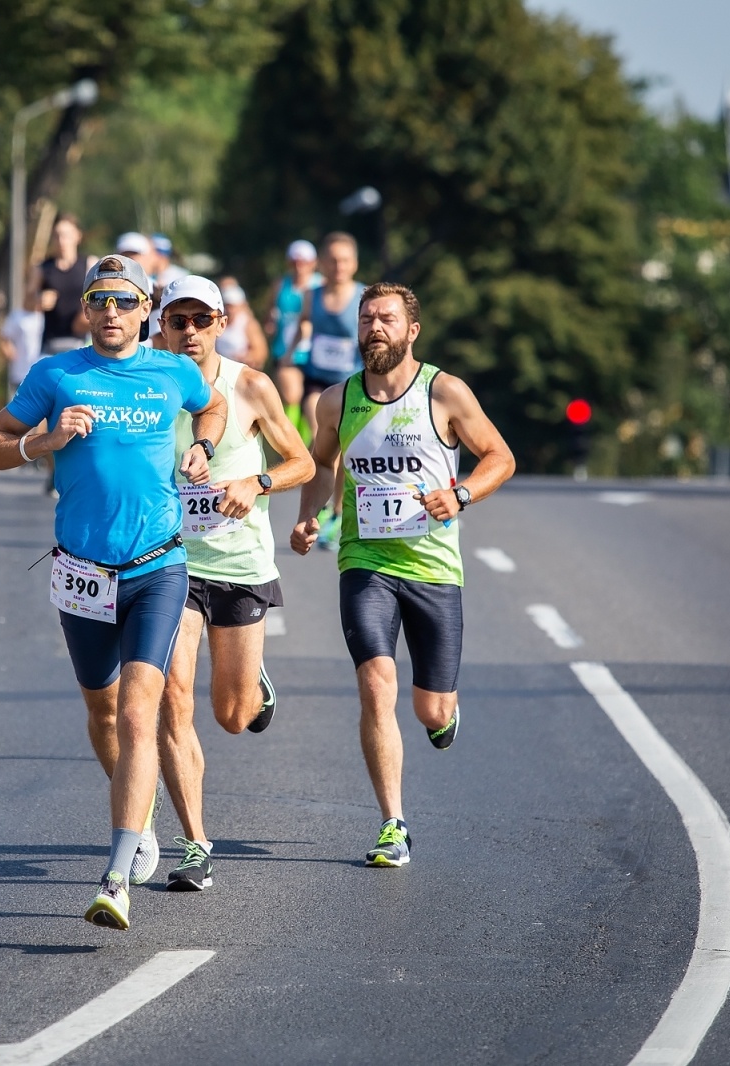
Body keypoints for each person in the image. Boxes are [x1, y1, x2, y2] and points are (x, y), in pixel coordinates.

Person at [0, 254, 226, 931]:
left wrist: (203, 444)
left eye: (124, 301)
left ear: (145, 311)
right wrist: (42, 441)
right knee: (103, 710)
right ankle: (137, 821)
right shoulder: (55, 374)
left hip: (157, 567)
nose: (111, 312)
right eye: (99, 301)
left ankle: (116, 875)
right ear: (84, 311)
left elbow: (215, 401)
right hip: (83, 573)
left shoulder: (173, 370)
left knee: (141, 714)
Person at [291, 283, 514, 868]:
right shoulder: (337, 401)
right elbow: (322, 462)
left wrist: (460, 494)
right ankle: (393, 823)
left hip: (433, 567)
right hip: (365, 562)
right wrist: (309, 515)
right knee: (375, 686)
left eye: (386, 319)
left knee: (430, 711)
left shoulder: (444, 392)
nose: (374, 328)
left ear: (412, 331)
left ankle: (445, 709)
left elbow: (500, 457)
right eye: (367, 319)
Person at [153, 276, 313, 892]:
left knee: (231, 714)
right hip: (169, 563)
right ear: (161, 326)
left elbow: (301, 460)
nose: (189, 331)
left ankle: (253, 685)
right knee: (172, 697)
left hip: (240, 565)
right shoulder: (147, 387)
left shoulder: (249, 386)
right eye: (177, 321)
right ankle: (195, 843)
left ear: (220, 322)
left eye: (200, 320)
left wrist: (258, 483)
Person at [292, 233, 363, 546]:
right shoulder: (312, 295)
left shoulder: (364, 296)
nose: (339, 266)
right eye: (333, 260)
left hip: (351, 382)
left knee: (345, 452)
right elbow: (304, 324)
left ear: (355, 263)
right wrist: (289, 352)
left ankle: (336, 512)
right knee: (322, 437)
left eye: (345, 260)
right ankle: (318, 512)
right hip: (318, 381)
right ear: (322, 263)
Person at [265, 240, 323, 424]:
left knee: (312, 402)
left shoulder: (321, 284)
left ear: (313, 263)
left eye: (304, 262)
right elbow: (269, 310)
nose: (299, 267)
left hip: (315, 352)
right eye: (295, 262)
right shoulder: (281, 285)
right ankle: (290, 445)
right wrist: (270, 322)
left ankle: (309, 447)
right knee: (291, 397)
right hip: (285, 350)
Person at [28, 214, 95, 355]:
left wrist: (87, 315)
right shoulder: (42, 268)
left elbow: (102, 297)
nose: (61, 241)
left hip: (82, 342)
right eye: (56, 236)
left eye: (66, 235)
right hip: (51, 344)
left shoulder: (89, 264)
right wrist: (38, 299)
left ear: (78, 236)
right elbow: (25, 303)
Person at [213, 277, 269, 370]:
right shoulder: (216, 321)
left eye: (232, 306)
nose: (230, 310)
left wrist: (247, 358)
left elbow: (260, 352)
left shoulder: (248, 324)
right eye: (227, 306)